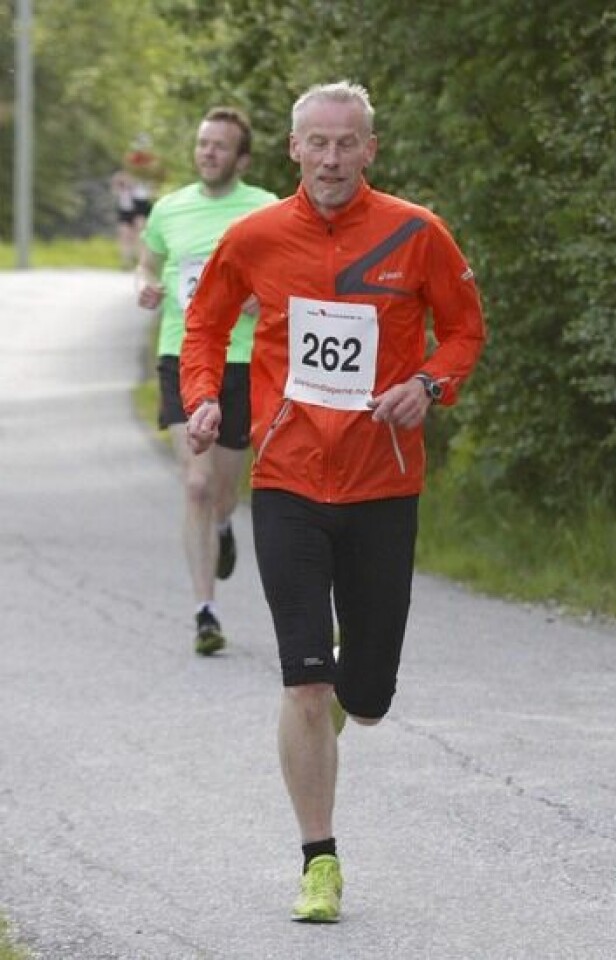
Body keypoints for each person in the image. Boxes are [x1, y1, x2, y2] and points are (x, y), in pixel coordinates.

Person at [179, 81, 485, 922]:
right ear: (293, 149)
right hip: (287, 480)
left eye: (348, 143)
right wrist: (203, 397)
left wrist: (430, 383)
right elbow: (205, 325)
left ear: (371, 150)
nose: (332, 158)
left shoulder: (416, 233)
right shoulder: (255, 235)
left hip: (384, 482)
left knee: (369, 697)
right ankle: (319, 861)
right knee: (305, 683)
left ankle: (350, 685)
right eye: (317, 142)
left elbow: (465, 329)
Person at [136, 108, 278, 656]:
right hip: (182, 354)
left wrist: (263, 297)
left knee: (222, 490)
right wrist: (145, 285)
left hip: (241, 360)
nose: (208, 153)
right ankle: (205, 613)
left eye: (220, 146)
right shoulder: (169, 208)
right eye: (203, 144)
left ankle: (222, 526)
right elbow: (147, 264)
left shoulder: (265, 209)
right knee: (195, 483)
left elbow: (290, 276)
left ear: (242, 159)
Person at [113, 134, 165, 268]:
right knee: (126, 231)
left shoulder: (152, 161)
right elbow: (120, 180)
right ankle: (127, 260)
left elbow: (158, 179)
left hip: (143, 198)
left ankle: (141, 260)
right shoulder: (130, 159)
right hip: (128, 200)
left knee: (141, 228)